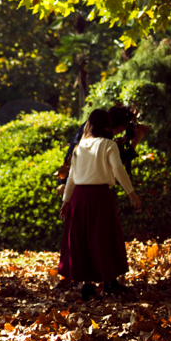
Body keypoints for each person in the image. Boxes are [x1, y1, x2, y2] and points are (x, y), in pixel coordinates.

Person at [58, 108, 142, 299]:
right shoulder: (108, 144)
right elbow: (118, 169)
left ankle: (87, 286)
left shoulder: (80, 147)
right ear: (107, 125)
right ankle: (109, 282)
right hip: (100, 195)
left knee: (84, 238)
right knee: (104, 236)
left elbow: (72, 176)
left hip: (79, 196)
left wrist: (66, 201)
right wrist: (131, 192)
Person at [56, 105, 149, 195]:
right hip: (91, 190)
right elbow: (118, 164)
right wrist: (136, 140)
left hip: (79, 188)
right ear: (121, 127)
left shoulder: (93, 128)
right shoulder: (99, 136)